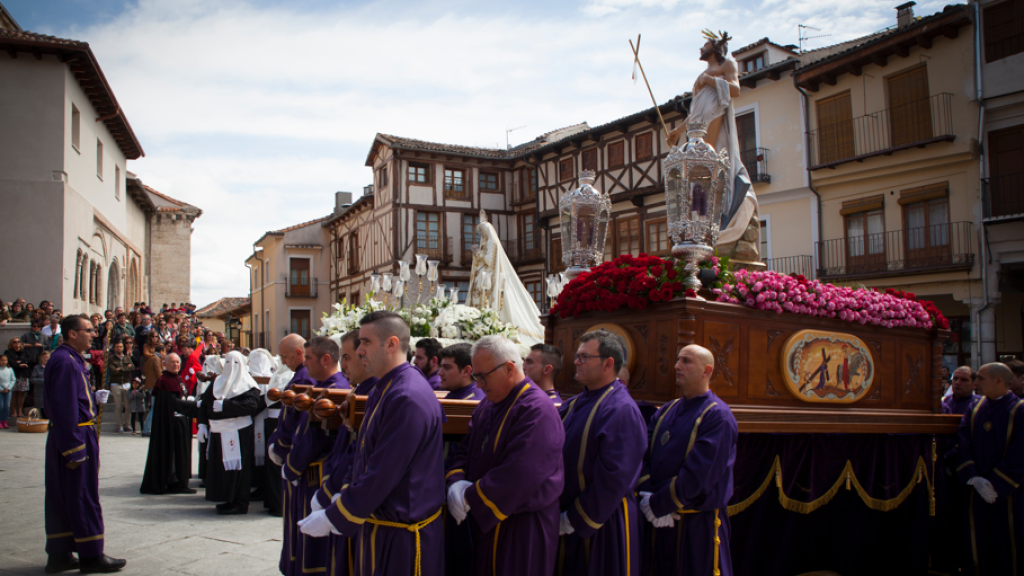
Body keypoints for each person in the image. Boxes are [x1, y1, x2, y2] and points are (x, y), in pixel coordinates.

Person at [298, 311, 445, 576]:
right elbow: (365, 451)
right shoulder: (385, 388)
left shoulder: (407, 395)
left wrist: (336, 515)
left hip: (402, 539)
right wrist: (343, 493)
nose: (359, 350)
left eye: (365, 342)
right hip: (382, 526)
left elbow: (384, 470)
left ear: (391, 344)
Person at [445, 335, 565, 576]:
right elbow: (466, 449)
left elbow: (521, 473)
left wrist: (470, 496)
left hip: (521, 527)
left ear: (509, 368)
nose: (478, 385)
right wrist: (455, 482)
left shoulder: (536, 409)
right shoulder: (488, 403)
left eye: (482, 376)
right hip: (487, 518)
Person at [637, 344, 738, 576]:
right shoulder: (665, 410)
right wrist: (647, 497)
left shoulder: (718, 416)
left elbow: (699, 475)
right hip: (655, 521)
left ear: (707, 370)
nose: (676, 366)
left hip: (695, 528)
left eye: (686, 361)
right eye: (677, 360)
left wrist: (658, 504)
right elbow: (643, 454)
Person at [557, 330, 646, 576]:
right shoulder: (573, 403)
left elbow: (614, 477)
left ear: (608, 364)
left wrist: (574, 518)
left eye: (584, 357)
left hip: (602, 521)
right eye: (577, 356)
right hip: (566, 516)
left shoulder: (620, 409)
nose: (576, 361)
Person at [44, 315, 126, 573]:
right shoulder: (67, 362)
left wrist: (91, 398)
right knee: (82, 496)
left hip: (70, 434)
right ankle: (91, 555)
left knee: (62, 497)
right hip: (75, 437)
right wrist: (75, 447)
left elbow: (73, 398)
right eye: (88, 330)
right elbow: (65, 407)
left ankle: (59, 555)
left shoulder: (67, 358)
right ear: (72, 333)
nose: (92, 334)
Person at [282, 336, 350, 575]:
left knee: (318, 549)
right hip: (311, 471)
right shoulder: (324, 386)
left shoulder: (336, 390)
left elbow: (317, 437)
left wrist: (291, 465)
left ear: (326, 359)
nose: (305, 362)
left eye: (308, 357)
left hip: (318, 473)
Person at [315, 329, 377, 575]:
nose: (343, 365)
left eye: (348, 357)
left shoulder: (371, 394)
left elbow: (358, 452)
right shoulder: (359, 390)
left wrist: (333, 487)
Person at [955, 362, 1024, 575]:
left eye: (980, 378)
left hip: (1010, 493)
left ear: (999, 380)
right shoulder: (974, 409)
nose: (976, 383)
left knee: (1010, 544)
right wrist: (973, 478)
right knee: (978, 543)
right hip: (977, 492)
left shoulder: (1019, 409)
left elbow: (1021, 451)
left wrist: (996, 483)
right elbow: (962, 443)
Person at [266, 334, 316, 574]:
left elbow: (296, 420)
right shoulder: (301, 375)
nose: (283, 363)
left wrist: (281, 448)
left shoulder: (303, 378)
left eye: (285, 356)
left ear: (298, 353)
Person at [199, 351, 262, 515]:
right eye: (227, 362)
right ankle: (227, 498)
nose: (230, 367)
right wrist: (202, 425)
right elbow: (205, 405)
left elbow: (252, 406)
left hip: (239, 432)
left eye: (234, 363)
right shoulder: (216, 383)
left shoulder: (248, 384)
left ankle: (240, 503)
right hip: (219, 432)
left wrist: (226, 406)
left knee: (239, 468)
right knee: (221, 468)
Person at [139, 352, 196, 494]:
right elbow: (171, 403)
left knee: (182, 453)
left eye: (177, 362)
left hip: (182, 421)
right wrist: (190, 406)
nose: (175, 365)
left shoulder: (178, 378)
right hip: (171, 423)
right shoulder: (164, 381)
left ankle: (180, 481)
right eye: (172, 362)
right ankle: (171, 481)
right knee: (172, 453)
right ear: (165, 364)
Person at [106, 341, 134, 434]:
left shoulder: (127, 358)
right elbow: (113, 371)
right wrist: (125, 368)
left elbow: (132, 368)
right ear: (114, 348)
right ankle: (119, 425)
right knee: (118, 406)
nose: (119, 348)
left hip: (126, 384)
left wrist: (121, 369)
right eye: (117, 347)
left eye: (121, 346)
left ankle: (127, 425)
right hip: (116, 384)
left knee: (127, 406)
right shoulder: (111, 359)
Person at [5, 337, 32, 418]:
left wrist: (21, 362)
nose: (17, 344)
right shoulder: (8, 352)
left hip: (23, 374)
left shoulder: (24, 351)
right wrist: (19, 364)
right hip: (13, 375)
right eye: (14, 342)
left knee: (21, 393)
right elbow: (9, 361)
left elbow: (30, 359)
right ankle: (13, 411)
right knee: (13, 393)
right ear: (11, 344)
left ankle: (20, 410)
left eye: (18, 342)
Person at [128, 360, 148, 434]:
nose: (135, 385)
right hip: (133, 407)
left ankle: (142, 429)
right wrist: (133, 394)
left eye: (136, 384)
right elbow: (128, 397)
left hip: (140, 406)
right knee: (133, 418)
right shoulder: (130, 391)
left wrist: (137, 393)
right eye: (133, 384)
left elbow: (143, 396)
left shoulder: (141, 390)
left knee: (141, 418)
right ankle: (134, 430)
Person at [30, 350, 50, 418]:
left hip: (51, 392)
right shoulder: (36, 368)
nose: (45, 359)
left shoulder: (53, 367)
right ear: (41, 358)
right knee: (43, 411)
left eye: (47, 357)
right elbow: (32, 379)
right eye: (44, 357)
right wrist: (44, 381)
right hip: (40, 392)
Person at [0, 354, 14, 428]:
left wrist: (8, 388)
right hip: (0, 391)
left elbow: (13, 379)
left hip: (8, 390)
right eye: (2, 360)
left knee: (7, 406)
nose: (3, 362)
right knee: (1, 406)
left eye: (5, 360)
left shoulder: (10, 369)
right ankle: (0, 421)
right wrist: (1, 389)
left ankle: (5, 421)